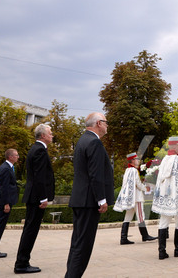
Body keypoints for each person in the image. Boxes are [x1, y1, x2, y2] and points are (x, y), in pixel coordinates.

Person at [65, 113, 114, 278]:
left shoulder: (82, 140)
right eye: (106, 123)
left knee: (77, 244)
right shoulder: (94, 142)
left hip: (80, 199)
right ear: (99, 123)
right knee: (83, 247)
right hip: (88, 201)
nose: (107, 126)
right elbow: (96, 174)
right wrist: (102, 199)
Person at [14, 123, 56, 274]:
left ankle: (22, 261)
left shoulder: (36, 149)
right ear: (43, 135)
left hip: (33, 196)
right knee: (31, 231)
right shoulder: (39, 150)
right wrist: (43, 197)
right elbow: (39, 176)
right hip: (36, 197)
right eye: (50, 133)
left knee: (29, 230)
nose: (52, 135)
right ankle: (21, 263)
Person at [151, 136, 178, 260]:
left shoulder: (164, 159)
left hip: (165, 196)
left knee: (163, 222)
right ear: (175, 147)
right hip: (176, 196)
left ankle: (162, 251)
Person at [113, 152, 157, 244]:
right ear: (132, 160)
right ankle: (145, 236)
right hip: (137, 197)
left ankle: (123, 238)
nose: (138, 161)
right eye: (136, 159)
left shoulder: (128, 170)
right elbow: (138, 184)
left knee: (128, 217)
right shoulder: (134, 171)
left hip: (130, 198)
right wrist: (146, 188)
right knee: (141, 216)